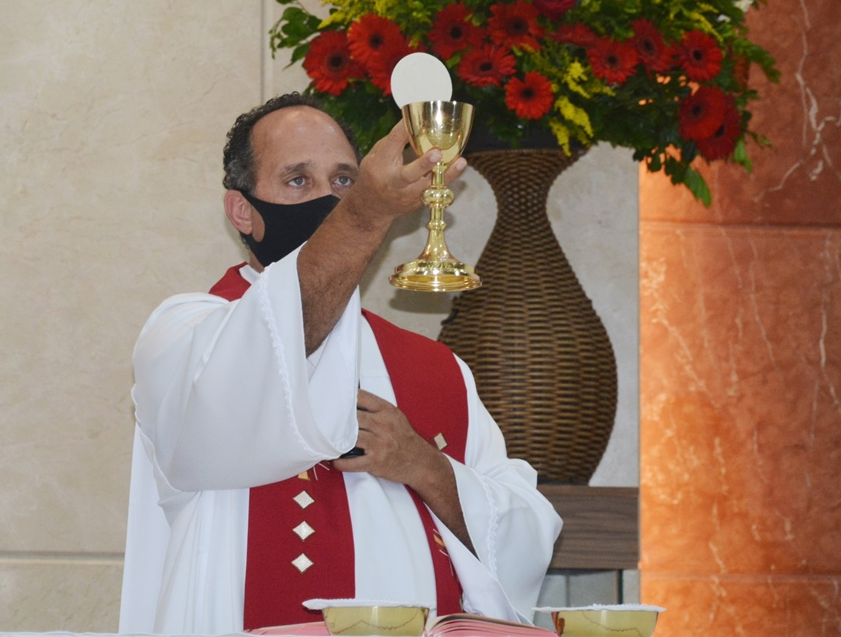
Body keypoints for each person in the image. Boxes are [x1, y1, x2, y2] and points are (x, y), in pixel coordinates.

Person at [119, 92, 562, 635]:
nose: (329, 199)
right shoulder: (184, 336)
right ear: (242, 210)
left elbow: (527, 533)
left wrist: (425, 466)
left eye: (345, 180)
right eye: (298, 180)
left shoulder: (436, 368)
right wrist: (364, 212)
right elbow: (272, 350)